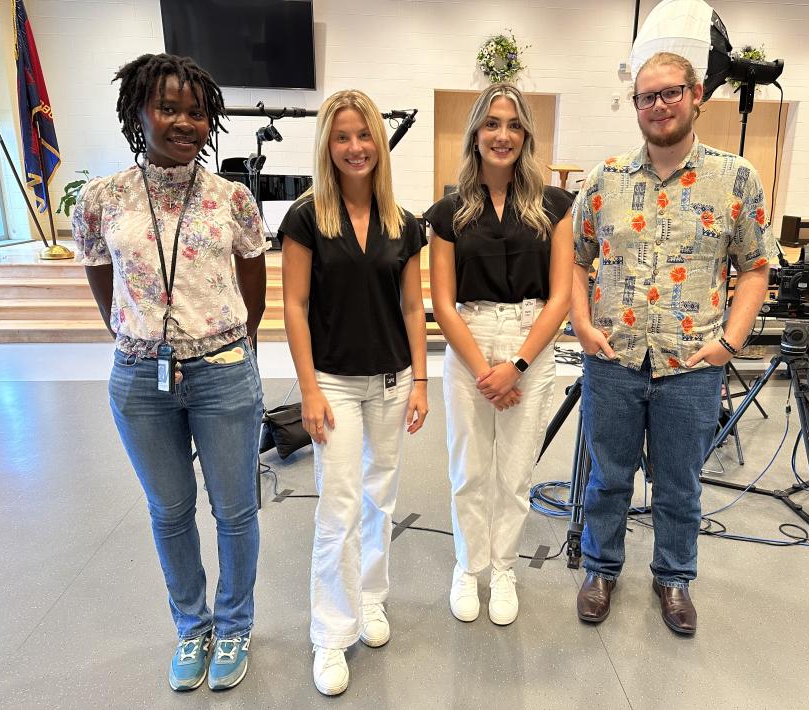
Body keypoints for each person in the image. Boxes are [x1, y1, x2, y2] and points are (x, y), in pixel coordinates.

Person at [72, 53, 267, 691]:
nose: (185, 121)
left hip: (223, 372)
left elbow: (253, 284)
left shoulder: (231, 197)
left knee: (235, 510)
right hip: (139, 379)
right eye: (169, 107)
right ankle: (193, 627)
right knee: (170, 511)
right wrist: (134, 335)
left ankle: (234, 624)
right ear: (138, 111)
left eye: (196, 110)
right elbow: (102, 279)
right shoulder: (102, 199)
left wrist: (227, 343)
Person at [570, 51, 778, 635]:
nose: (658, 105)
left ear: (696, 95)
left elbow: (756, 266)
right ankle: (601, 569)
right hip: (613, 359)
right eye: (647, 96)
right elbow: (575, 259)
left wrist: (730, 343)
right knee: (607, 475)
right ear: (635, 105)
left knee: (680, 481)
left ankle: (674, 577)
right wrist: (583, 326)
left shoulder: (736, 178)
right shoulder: (603, 180)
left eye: (670, 93)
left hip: (691, 363)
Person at [278, 89, 428, 696]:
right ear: (327, 146)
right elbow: (293, 305)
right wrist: (309, 389)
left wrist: (420, 379)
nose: (356, 147)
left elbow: (414, 308)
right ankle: (330, 633)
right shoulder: (307, 217)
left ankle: (370, 600)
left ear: (379, 143)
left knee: (379, 501)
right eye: (342, 137)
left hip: (391, 382)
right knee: (337, 509)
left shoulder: (405, 222)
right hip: (334, 382)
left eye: (364, 135)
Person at [425, 83, 573, 627]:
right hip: (469, 339)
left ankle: (504, 567)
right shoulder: (448, 211)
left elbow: (560, 296)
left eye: (513, 124)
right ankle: (469, 566)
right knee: (468, 469)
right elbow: (442, 302)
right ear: (475, 134)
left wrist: (518, 365)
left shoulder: (555, 207)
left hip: (531, 338)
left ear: (526, 134)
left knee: (514, 474)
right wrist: (485, 368)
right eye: (491, 124)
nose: (502, 134)